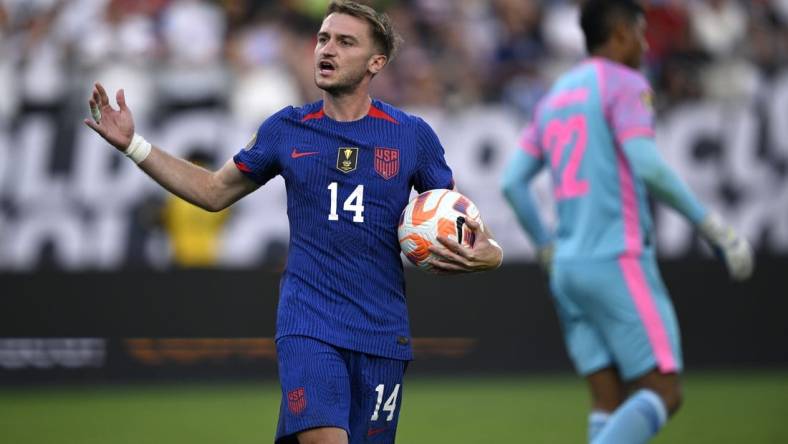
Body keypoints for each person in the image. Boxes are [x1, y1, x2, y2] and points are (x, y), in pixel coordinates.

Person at [84, 1, 502, 443]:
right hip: (309, 323)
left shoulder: (411, 135)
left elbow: (461, 223)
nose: (327, 49)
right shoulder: (286, 129)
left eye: (345, 42)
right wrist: (135, 146)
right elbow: (211, 192)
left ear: (375, 62)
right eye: (323, 38)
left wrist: (489, 256)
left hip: (383, 332)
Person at [500, 1, 753, 443]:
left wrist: (545, 247)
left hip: (567, 268)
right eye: (640, 32)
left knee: (607, 400)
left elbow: (512, 183)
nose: (646, 42)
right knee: (664, 392)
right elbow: (647, 165)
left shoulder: (556, 95)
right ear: (619, 35)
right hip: (616, 258)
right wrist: (713, 226)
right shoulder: (625, 83)